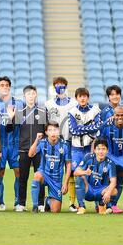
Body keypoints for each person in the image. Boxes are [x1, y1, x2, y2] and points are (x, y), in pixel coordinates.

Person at [7, 85, 47, 212]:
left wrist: (42, 141)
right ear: (24, 96)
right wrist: (10, 117)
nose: (31, 96)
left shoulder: (42, 111)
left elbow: (47, 131)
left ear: (36, 95)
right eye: (28, 94)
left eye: (33, 93)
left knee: (39, 176)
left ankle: (41, 203)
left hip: (39, 150)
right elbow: (9, 130)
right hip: (23, 149)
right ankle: (21, 203)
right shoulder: (19, 112)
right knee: (22, 177)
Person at [0, 76, 24, 211]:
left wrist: (12, 118)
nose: (4, 87)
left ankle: (17, 203)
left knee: (18, 173)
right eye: (1, 85)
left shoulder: (19, 104)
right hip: (1, 145)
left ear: (9, 87)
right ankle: (1, 203)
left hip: (15, 145)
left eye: (6, 85)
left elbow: (20, 124)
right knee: (0, 174)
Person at [45, 77, 78, 212]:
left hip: (70, 140)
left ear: (66, 86)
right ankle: (49, 199)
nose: (60, 87)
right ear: (54, 87)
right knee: (51, 169)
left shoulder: (74, 103)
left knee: (71, 171)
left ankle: (72, 202)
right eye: (57, 85)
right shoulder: (48, 104)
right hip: (55, 142)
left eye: (63, 85)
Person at [68, 87, 102, 214]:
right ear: (76, 98)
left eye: (85, 96)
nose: (82, 98)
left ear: (88, 97)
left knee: (95, 174)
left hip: (91, 147)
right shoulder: (72, 111)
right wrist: (90, 128)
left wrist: (82, 127)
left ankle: (99, 203)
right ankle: (81, 205)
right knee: (79, 174)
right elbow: (73, 130)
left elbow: (98, 126)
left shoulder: (95, 110)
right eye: (80, 96)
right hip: (76, 149)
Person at [28, 122, 72, 213]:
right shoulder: (42, 143)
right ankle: (35, 206)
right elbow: (30, 154)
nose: (53, 133)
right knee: (37, 175)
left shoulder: (64, 145)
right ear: (46, 132)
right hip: (44, 175)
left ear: (58, 131)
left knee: (55, 210)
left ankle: (47, 201)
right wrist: (36, 140)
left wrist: (65, 183)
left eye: (55, 130)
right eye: (50, 130)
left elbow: (68, 165)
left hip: (56, 180)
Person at [74, 139, 118, 214]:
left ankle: (101, 204)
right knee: (79, 178)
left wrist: (108, 192)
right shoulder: (88, 157)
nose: (101, 152)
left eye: (103, 149)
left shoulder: (110, 163)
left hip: (101, 192)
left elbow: (113, 182)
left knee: (114, 191)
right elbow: (75, 172)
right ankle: (81, 206)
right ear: (94, 150)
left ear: (107, 150)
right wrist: (85, 172)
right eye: (98, 149)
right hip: (88, 190)